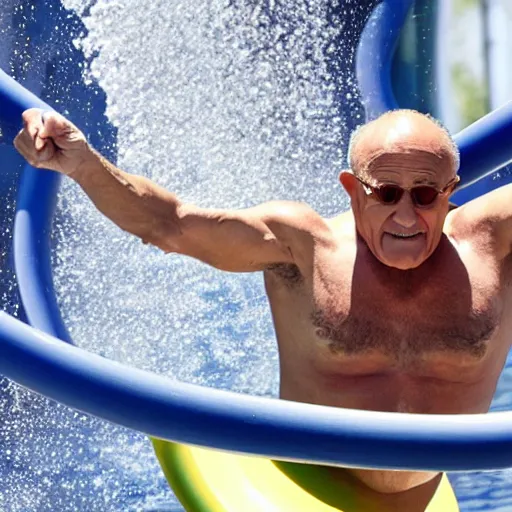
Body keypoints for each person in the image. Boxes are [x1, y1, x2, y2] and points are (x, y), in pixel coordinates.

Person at [14, 107, 512, 507]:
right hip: (296, 487)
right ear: (351, 190)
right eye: (385, 193)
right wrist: (80, 163)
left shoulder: (492, 244)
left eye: (425, 195)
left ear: (451, 192)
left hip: (421, 499)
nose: (406, 214)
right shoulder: (303, 246)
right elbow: (172, 224)